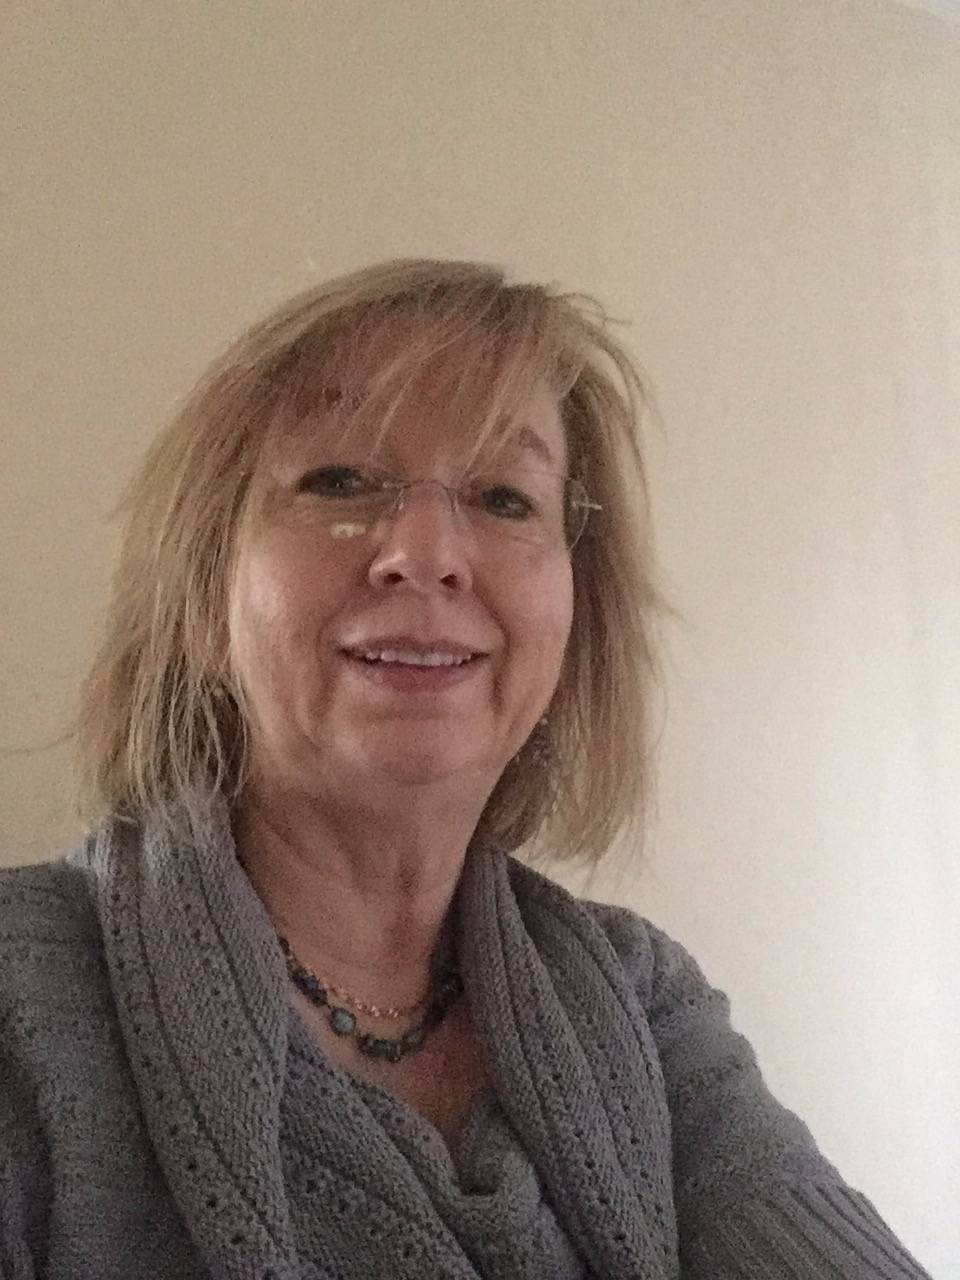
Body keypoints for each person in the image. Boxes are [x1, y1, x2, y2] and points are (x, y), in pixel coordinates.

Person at [0, 259, 933, 1280]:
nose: (427, 552)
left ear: (573, 619)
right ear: (203, 599)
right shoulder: (23, 994)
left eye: (502, 497)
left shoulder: (645, 1001)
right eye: (340, 481)